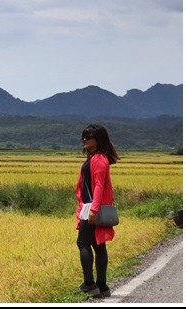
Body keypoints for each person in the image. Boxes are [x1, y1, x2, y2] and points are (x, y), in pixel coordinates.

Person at [75, 123, 120, 298]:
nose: (84, 139)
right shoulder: (94, 157)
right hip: (91, 205)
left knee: (83, 243)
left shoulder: (99, 158)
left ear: (98, 140)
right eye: (84, 136)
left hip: (92, 207)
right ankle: (102, 286)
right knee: (98, 245)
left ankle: (89, 284)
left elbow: (100, 185)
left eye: (89, 137)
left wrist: (93, 209)